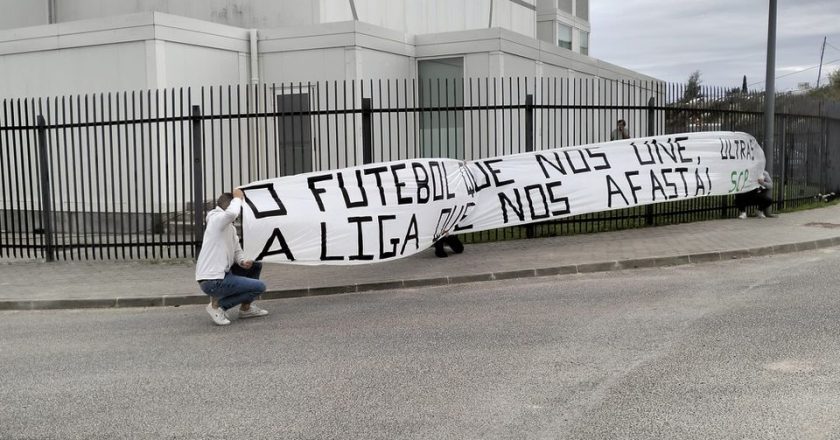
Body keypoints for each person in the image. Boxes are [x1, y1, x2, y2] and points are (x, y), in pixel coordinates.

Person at [195, 188, 268, 325]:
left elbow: (237, 251)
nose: (240, 212)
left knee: (256, 264)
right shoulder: (215, 219)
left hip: (224, 275)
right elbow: (232, 213)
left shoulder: (230, 228)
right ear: (231, 206)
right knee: (260, 286)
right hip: (212, 281)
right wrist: (238, 197)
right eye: (240, 206)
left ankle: (246, 309)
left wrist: (242, 261)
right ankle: (218, 307)